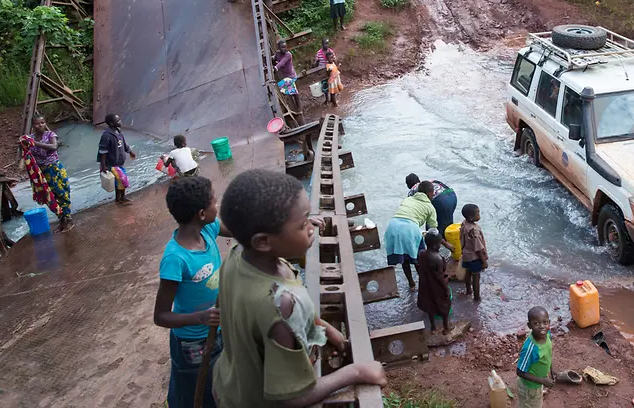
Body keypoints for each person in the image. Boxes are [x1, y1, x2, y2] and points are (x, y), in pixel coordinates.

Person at [213, 170, 387, 406]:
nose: (312, 228)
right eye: (303, 223)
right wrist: (357, 372)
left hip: (230, 385)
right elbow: (293, 398)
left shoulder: (236, 256)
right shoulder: (282, 305)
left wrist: (325, 329)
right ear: (263, 241)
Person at [153, 176, 229, 408]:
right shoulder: (176, 259)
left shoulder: (208, 229)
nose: (218, 206)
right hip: (192, 342)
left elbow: (243, 231)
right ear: (201, 213)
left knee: (218, 376)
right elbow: (161, 316)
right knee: (197, 388)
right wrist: (200, 318)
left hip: (217, 329)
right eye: (214, 202)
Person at [19, 115, 73, 232]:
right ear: (33, 125)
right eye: (38, 123)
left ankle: (68, 220)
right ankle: (61, 220)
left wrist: (35, 144)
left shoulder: (50, 135)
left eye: (43, 122)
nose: (41, 125)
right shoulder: (30, 138)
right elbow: (25, 153)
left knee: (62, 194)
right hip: (40, 173)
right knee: (49, 198)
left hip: (54, 169)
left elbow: (53, 147)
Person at [384, 181, 438, 290]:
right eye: (433, 194)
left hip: (393, 226)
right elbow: (433, 230)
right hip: (410, 229)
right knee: (419, 260)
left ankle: (411, 284)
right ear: (428, 193)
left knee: (404, 259)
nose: (433, 196)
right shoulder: (430, 207)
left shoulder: (408, 199)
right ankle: (425, 284)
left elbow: (406, 215)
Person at [516, 306, 554, 408]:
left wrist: (551, 370)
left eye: (545, 322)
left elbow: (548, 354)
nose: (542, 326)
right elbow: (519, 372)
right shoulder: (531, 348)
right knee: (530, 404)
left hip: (537, 382)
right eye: (536, 323)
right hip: (530, 388)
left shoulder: (548, 334)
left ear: (549, 323)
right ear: (529, 325)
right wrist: (542, 381)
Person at [415, 231, 451, 335]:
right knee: (444, 306)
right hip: (437, 287)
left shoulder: (421, 254)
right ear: (436, 245)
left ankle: (433, 328)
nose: (440, 246)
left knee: (430, 306)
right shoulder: (438, 258)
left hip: (425, 286)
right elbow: (440, 277)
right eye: (440, 243)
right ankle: (446, 328)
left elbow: (419, 267)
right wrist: (446, 289)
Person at [97, 113, 136, 204]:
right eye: (117, 121)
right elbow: (102, 151)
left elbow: (124, 144)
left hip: (119, 162)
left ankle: (119, 199)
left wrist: (130, 151)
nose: (120, 121)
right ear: (111, 123)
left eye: (120, 119)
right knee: (122, 181)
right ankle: (121, 198)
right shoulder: (106, 136)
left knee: (119, 182)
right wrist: (103, 165)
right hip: (112, 164)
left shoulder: (118, 132)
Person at [405, 174, 457, 238]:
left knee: (432, 230)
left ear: (408, 185)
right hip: (452, 196)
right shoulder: (430, 182)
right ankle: (452, 243)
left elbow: (411, 208)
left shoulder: (413, 190)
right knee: (447, 226)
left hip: (440, 200)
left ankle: (437, 246)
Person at [459, 203, 488, 301]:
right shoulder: (474, 230)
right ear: (471, 217)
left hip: (466, 255)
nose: (479, 215)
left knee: (468, 273)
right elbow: (478, 249)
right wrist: (484, 261)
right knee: (476, 277)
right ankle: (476, 297)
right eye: (478, 213)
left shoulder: (464, 223)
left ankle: (468, 290)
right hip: (475, 257)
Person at [273, 39, 303, 112]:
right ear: (279, 48)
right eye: (282, 47)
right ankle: (293, 107)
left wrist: (276, 67)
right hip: (285, 76)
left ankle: (299, 108)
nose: (284, 49)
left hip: (291, 76)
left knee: (294, 93)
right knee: (289, 92)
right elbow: (274, 59)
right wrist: (272, 59)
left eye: (285, 47)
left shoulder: (288, 54)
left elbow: (282, 63)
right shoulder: (278, 53)